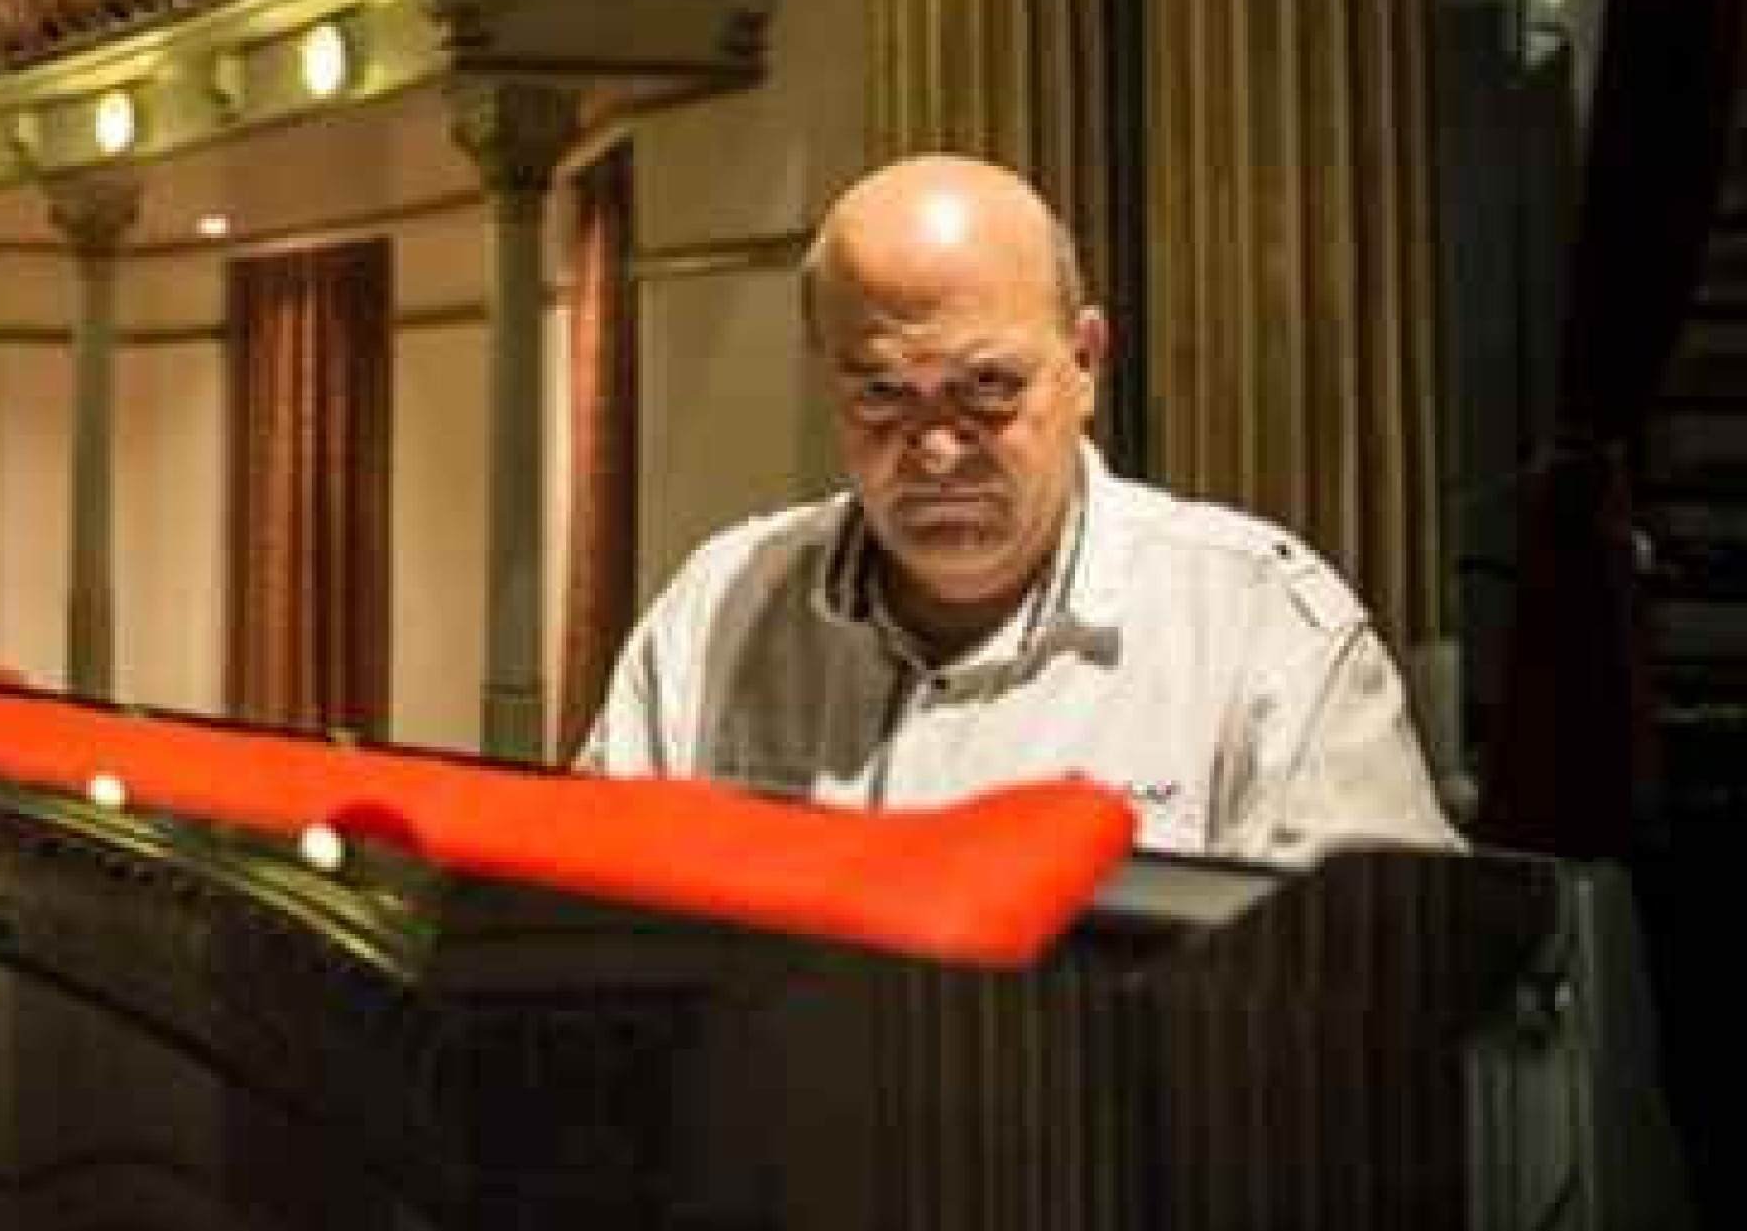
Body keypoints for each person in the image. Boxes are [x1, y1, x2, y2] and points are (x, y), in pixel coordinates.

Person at [578, 153, 1461, 863]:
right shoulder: (719, 609)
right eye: (882, 394)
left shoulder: (1258, 632)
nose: (935, 450)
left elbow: (1374, 974)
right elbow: (601, 924)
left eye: (988, 387)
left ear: (1086, 362)